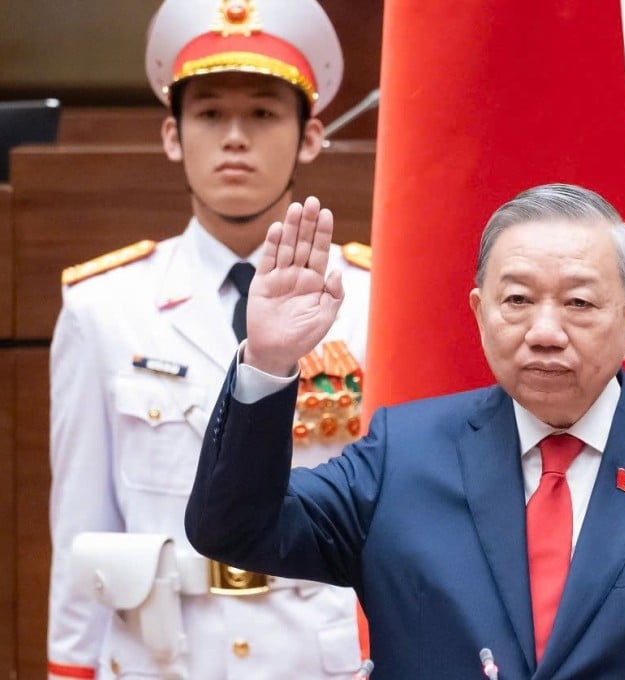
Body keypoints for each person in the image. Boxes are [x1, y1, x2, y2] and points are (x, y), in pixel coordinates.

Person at [184, 182, 625, 678]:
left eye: (578, 303)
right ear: (479, 311)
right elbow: (234, 530)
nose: (545, 332)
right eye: (517, 300)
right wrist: (268, 362)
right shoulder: (402, 454)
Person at [47, 0, 371, 677]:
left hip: (319, 656)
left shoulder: (373, 296)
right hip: (162, 655)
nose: (234, 138)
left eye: (263, 113)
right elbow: (80, 523)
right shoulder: (104, 307)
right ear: (172, 135)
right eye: (209, 113)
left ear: (311, 136)